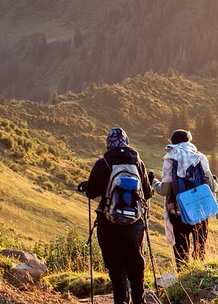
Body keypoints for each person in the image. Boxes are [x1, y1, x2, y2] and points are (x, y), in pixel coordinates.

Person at [84, 128, 152, 304]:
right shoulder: (138, 163)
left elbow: (91, 193)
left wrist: (88, 185)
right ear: (126, 141)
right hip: (135, 224)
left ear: (109, 144)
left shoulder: (103, 163)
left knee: (116, 266)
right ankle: (139, 300)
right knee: (136, 265)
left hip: (109, 224)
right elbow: (147, 192)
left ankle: (121, 301)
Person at [150, 129, 218, 270]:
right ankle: (200, 279)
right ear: (189, 141)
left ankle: (183, 280)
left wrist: (153, 181)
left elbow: (164, 190)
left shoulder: (170, 158)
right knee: (200, 250)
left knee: (181, 252)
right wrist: (215, 182)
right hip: (201, 211)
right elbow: (212, 187)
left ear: (173, 143)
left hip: (178, 212)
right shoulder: (200, 157)